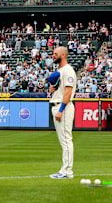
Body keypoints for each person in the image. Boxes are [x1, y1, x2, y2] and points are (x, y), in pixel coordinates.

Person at [49, 46, 77, 179]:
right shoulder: (60, 70)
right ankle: (64, 170)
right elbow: (59, 89)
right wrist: (53, 88)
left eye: (55, 54)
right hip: (57, 104)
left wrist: (60, 110)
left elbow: (68, 91)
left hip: (63, 107)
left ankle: (67, 172)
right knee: (64, 141)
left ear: (63, 55)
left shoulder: (68, 70)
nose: (53, 55)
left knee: (66, 140)